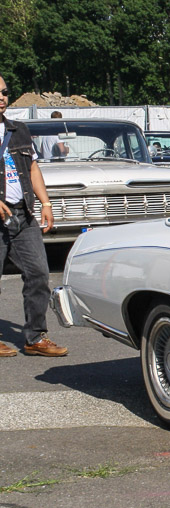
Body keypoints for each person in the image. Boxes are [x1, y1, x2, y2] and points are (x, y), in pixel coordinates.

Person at [0, 75, 67, 357]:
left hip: (23, 214)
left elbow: (33, 169)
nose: (1, 97)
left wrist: (46, 203)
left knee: (39, 273)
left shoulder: (18, 130)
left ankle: (35, 337)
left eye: (3, 92)